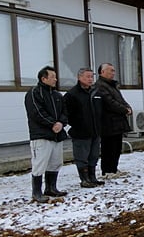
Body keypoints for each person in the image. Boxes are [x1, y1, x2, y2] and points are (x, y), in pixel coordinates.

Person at [24, 66, 69, 202]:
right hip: (41, 135)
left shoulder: (57, 95)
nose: (55, 79)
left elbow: (64, 112)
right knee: (40, 163)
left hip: (57, 135)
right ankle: (36, 192)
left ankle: (51, 188)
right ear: (43, 78)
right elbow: (36, 112)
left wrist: (61, 123)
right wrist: (52, 124)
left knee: (55, 162)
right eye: (52, 77)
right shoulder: (34, 93)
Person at [64, 67, 104, 188]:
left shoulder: (96, 92)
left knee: (94, 155)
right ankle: (84, 179)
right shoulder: (72, 94)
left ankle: (92, 177)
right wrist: (78, 124)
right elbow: (66, 113)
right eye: (87, 76)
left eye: (92, 76)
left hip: (95, 130)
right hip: (80, 132)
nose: (90, 79)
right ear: (79, 77)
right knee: (82, 157)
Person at [95, 63, 132, 179]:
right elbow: (110, 102)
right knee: (108, 147)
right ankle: (107, 170)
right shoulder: (100, 86)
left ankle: (113, 168)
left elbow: (120, 100)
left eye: (114, 70)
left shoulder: (112, 85)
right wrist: (124, 110)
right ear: (102, 72)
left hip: (117, 121)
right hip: (108, 122)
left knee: (116, 147)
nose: (113, 73)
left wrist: (128, 107)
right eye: (110, 70)